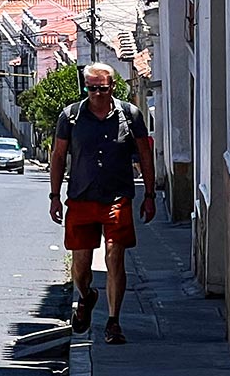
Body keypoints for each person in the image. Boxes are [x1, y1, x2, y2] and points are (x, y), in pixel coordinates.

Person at [48, 63, 156, 345]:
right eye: (91, 88)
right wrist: (54, 196)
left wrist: (150, 195)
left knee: (114, 256)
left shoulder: (130, 115)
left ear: (113, 87)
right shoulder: (70, 117)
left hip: (117, 197)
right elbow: (58, 156)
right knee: (81, 266)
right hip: (81, 198)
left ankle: (113, 321)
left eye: (102, 88)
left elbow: (145, 154)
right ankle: (86, 296)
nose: (96, 93)